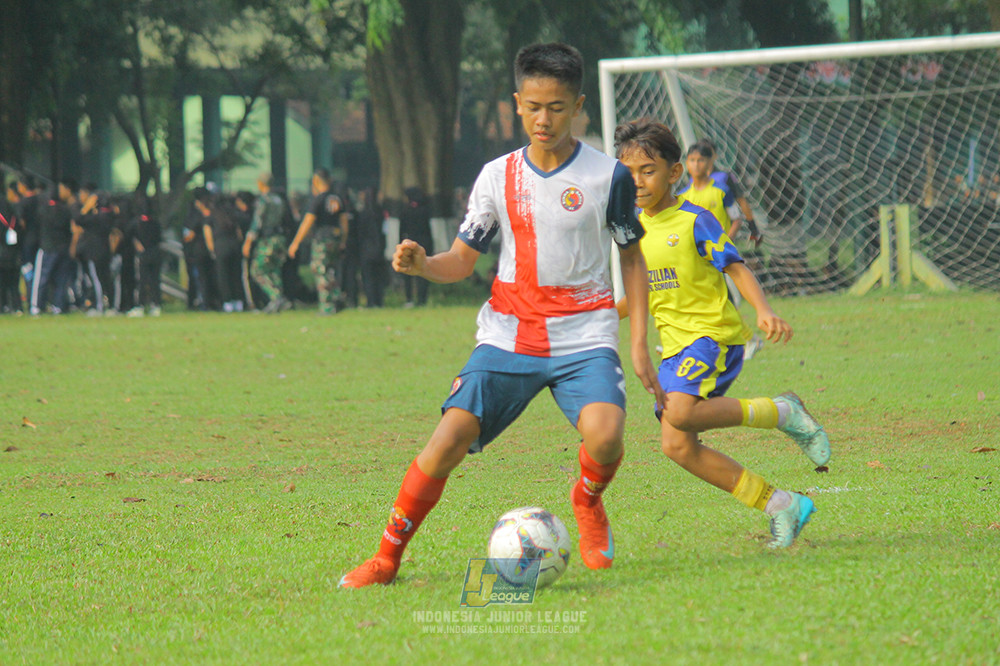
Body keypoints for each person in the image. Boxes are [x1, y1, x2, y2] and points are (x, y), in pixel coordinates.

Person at [339, 42, 665, 588]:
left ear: (579, 105)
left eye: (557, 107)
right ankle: (386, 558)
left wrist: (636, 340)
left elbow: (631, 254)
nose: (545, 118)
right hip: (509, 334)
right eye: (534, 106)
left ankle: (586, 502)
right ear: (517, 103)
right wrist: (422, 265)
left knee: (606, 437)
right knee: (446, 442)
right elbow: (462, 262)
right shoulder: (496, 176)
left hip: (584, 335)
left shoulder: (609, 177)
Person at [613, 118, 830, 548]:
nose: (637, 181)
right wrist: (591, 314)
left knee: (679, 412)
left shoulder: (695, 220)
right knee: (677, 446)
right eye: (629, 172)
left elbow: (735, 266)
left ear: (674, 173)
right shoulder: (630, 228)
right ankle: (781, 504)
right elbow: (639, 294)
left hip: (713, 337)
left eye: (648, 170)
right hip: (674, 347)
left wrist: (763, 309)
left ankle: (782, 411)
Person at [288, 168, 348, 315]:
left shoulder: (318, 199)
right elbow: (344, 222)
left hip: (322, 238)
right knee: (330, 270)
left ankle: (327, 306)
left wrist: (296, 242)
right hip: (336, 237)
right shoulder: (338, 198)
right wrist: (343, 241)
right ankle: (337, 297)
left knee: (320, 269)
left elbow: (308, 221)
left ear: (315, 181)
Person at [243, 173, 290, 313]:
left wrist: (248, 242)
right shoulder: (279, 199)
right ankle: (278, 301)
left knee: (257, 270)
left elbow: (257, 222)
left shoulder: (263, 200)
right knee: (274, 270)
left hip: (267, 239)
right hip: (280, 238)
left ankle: (276, 297)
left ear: (260, 183)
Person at [30, 178, 76, 315]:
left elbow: (37, 226)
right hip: (63, 247)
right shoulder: (66, 210)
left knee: (42, 278)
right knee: (61, 279)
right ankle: (58, 306)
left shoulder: (43, 210)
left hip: (47, 247)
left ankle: (37, 305)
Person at [399, 186, 432, 307]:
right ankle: (422, 299)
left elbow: (401, 230)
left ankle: (409, 298)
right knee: (422, 272)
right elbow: (428, 230)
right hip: (423, 243)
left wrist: (400, 244)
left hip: (409, 243)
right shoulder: (424, 210)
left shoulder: (405, 210)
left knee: (408, 272)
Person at [131, 194, 162, 316]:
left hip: (143, 254)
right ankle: (156, 304)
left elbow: (131, 235)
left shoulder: (137, 223)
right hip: (155, 252)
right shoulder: (155, 223)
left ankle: (141, 305)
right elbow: (159, 238)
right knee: (155, 280)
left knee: (142, 281)